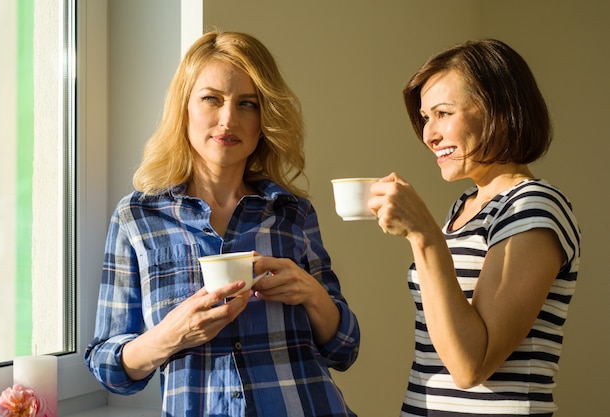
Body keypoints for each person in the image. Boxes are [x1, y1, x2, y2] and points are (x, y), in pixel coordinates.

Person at [84, 30, 360, 417]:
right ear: (185, 108)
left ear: (264, 118)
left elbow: (345, 348)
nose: (228, 119)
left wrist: (311, 292)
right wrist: (169, 336)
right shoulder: (137, 217)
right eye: (211, 99)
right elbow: (108, 366)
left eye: (247, 104)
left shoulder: (291, 213)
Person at [368, 39, 580, 416]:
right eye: (425, 117)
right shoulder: (465, 208)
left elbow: (471, 366)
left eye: (443, 113)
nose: (428, 134)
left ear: (498, 110)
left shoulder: (532, 205)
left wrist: (424, 235)